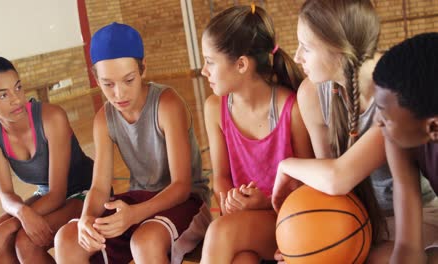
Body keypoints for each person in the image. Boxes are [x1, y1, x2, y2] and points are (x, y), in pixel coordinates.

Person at [271, 0, 437, 262]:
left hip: (417, 215)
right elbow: (329, 185)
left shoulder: (393, 97)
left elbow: (338, 177)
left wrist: (285, 165)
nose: (297, 55)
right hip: (364, 214)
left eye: (307, 46)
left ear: (339, 50)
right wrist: (303, 242)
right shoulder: (312, 94)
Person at [54, 22, 211, 264]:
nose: (119, 94)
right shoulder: (103, 120)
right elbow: (99, 187)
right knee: (67, 238)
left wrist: (134, 215)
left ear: (143, 69)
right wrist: (86, 218)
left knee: (144, 241)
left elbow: (181, 186)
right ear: (96, 79)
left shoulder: (167, 104)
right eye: (108, 84)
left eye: (128, 80)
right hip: (140, 200)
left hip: (187, 201)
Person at [199, 5, 313, 263]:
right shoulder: (214, 109)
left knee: (219, 231)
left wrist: (267, 201)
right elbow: (221, 177)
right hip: (245, 223)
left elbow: (308, 186)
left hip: (288, 218)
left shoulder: (291, 109)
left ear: (241, 64)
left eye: (210, 62)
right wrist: (229, 199)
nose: (203, 71)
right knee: (243, 260)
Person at [0, 56, 93, 264]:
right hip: (45, 196)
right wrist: (21, 212)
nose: (16, 99)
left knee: (26, 241)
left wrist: (11, 224)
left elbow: (57, 194)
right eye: (2, 95)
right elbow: (6, 194)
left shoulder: (52, 117)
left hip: (86, 192)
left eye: (18, 88)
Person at [372, 32, 438, 263]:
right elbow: (408, 246)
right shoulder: (398, 138)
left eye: (385, 114)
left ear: (433, 127)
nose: (377, 121)